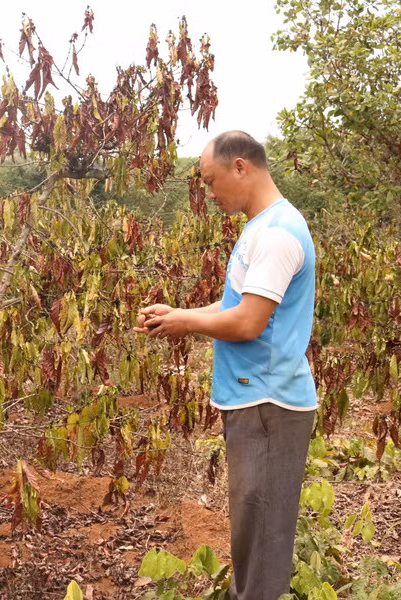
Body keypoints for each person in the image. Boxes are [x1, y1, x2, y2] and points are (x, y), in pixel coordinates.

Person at [134, 131, 317, 600]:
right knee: (251, 537)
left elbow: (249, 322)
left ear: (240, 167)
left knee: (261, 547)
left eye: (212, 182)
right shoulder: (260, 227)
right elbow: (235, 303)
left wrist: (185, 324)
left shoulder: (276, 234)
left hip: (268, 403)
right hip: (254, 399)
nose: (210, 194)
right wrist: (178, 315)